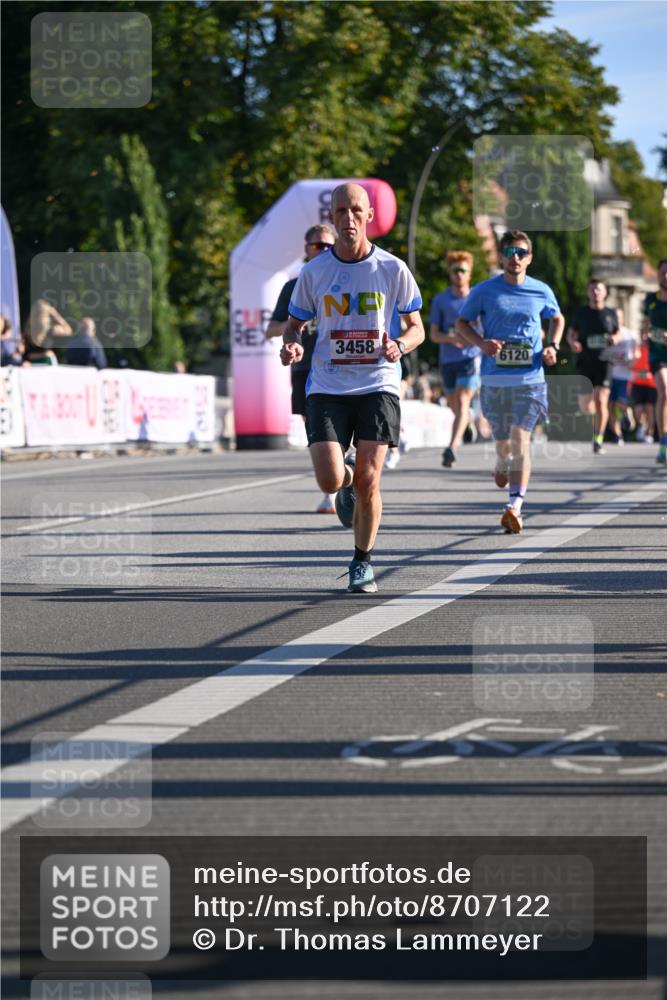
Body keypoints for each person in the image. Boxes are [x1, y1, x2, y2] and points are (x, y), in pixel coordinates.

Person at [280, 182, 424, 592]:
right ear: (331, 217)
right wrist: (291, 344)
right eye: (340, 211)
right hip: (327, 384)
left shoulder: (393, 269)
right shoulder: (315, 271)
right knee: (330, 479)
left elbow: (417, 329)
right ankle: (342, 488)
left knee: (369, 480)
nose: (348, 219)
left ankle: (362, 561)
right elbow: (295, 324)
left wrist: (398, 344)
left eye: (356, 211)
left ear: (370, 216)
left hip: (378, 383)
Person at [455, 230, 564, 534]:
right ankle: (502, 461)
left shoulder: (540, 290)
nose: (515, 257)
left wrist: (553, 345)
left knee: (521, 440)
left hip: (530, 379)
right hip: (495, 379)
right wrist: (481, 343)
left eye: (521, 252)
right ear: (501, 256)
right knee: (505, 444)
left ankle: (514, 506)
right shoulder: (484, 290)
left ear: (529, 258)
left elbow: (557, 317)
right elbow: (461, 324)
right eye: (509, 251)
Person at [266, 223, 337, 512]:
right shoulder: (293, 286)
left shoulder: (343, 279)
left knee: (345, 425)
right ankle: (330, 491)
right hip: (304, 368)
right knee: (316, 432)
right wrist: (297, 322)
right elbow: (271, 329)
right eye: (317, 245)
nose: (322, 250)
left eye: (327, 246)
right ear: (307, 249)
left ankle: (348, 467)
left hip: (339, 364)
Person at [429, 250, 481, 467]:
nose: (459, 274)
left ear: (469, 274)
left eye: (463, 271)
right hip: (449, 359)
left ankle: (452, 446)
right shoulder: (441, 300)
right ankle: (467, 421)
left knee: (461, 400)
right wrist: (451, 338)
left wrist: (475, 340)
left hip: (471, 357)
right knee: (454, 404)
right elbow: (433, 334)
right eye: (455, 270)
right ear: (450, 274)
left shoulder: (477, 298)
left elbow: (486, 328)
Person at [566, 279, 620, 455]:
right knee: (586, 406)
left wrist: (615, 339)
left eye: (598, 289)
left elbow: (617, 332)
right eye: (592, 289)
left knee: (601, 400)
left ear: (605, 293)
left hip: (605, 360)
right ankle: (592, 429)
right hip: (585, 361)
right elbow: (570, 334)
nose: (595, 292)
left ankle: (598, 439)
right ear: (588, 293)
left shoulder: (611, 313)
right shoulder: (581, 313)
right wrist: (573, 343)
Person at [642, 258, 667, 464]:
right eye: (662, 273)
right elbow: (645, 327)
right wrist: (646, 336)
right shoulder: (650, 300)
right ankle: (663, 442)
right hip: (658, 355)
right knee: (664, 391)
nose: (665, 277)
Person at [607, 309, 639, 445]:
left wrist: (633, 361)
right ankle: (617, 434)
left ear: (622, 318)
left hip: (625, 375)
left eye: (618, 317)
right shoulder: (607, 334)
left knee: (620, 403)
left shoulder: (630, 334)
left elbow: (637, 353)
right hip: (609, 374)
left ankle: (627, 412)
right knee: (611, 406)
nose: (616, 319)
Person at [630, 340, 657, 443]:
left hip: (651, 384)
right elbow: (632, 365)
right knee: (638, 409)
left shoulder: (653, 351)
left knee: (650, 408)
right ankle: (642, 426)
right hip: (637, 384)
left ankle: (650, 433)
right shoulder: (637, 350)